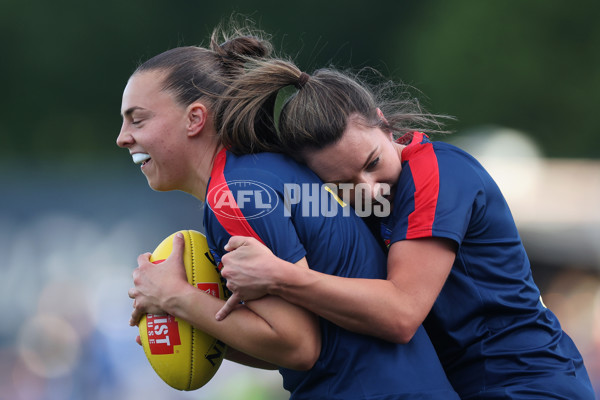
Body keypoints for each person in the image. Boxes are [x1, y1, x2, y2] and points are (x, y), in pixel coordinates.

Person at [212, 58, 596, 399]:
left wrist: (278, 275)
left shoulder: (438, 173)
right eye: (342, 183)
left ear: (383, 123)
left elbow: (400, 314)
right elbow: (311, 343)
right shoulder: (350, 203)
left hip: (529, 382)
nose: (369, 188)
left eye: (372, 162)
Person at [118, 25, 459, 399]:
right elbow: (311, 345)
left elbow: (299, 346)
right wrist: (194, 322)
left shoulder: (235, 196)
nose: (123, 137)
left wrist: (177, 298)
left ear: (195, 119)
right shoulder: (255, 175)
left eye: (138, 119)